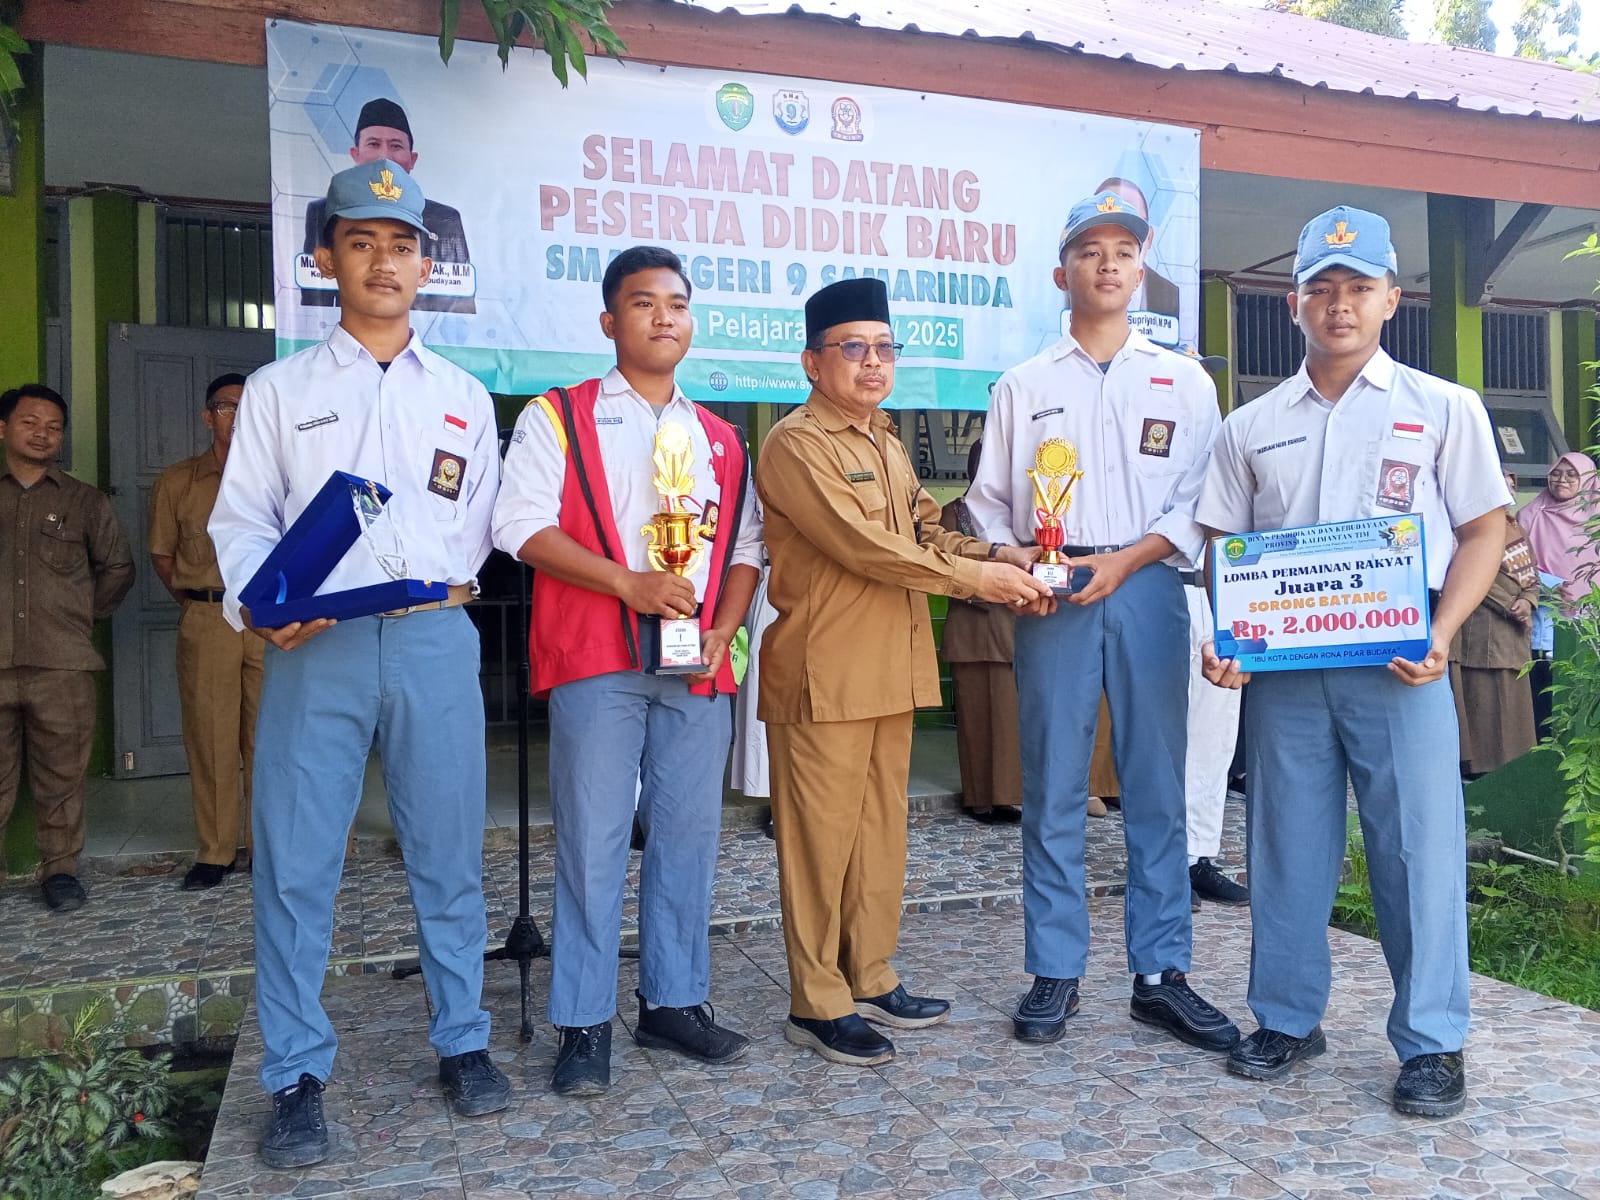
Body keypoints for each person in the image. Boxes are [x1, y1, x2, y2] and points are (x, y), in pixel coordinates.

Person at [210, 157, 509, 1169]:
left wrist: (421, 584)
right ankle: (296, 1073)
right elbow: (244, 518)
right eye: (362, 240)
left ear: (427, 263)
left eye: (402, 244)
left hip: (432, 639)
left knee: (446, 850)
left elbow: (474, 526)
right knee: (296, 863)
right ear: (327, 256)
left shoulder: (465, 397)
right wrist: (266, 602)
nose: (384, 261)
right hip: (318, 648)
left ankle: (461, 1041)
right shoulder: (279, 389)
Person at [1197, 205, 1511, 1118]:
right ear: (1294, 304)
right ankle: (1289, 1019)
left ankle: (1432, 1042)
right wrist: (1225, 637)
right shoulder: (1251, 425)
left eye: (1357, 289)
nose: (1339, 306)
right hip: (1287, 676)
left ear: (1391, 299)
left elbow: (1485, 528)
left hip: (1404, 667)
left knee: (1416, 850)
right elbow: (1224, 541)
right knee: (1287, 848)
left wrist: (1444, 631)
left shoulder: (1444, 409)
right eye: (1321, 290)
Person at [967, 190, 1237, 1052]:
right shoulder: (1024, 384)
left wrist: (1127, 562)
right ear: (1062, 271)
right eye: (1091, 250)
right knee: (1051, 780)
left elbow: (1207, 498)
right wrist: (1020, 564)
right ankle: (1055, 969)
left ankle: (1162, 973)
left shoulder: (1184, 379)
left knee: (1156, 780)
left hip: (1150, 581)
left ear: (1142, 266)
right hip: (1053, 592)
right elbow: (990, 505)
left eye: (1124, 249)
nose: (1109, 263)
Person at [757, 277, 1049, 1066]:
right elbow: (865, 547)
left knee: (881, 834)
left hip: (891, 665)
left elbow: (923, 526)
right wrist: (974, 583)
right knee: (820, 843)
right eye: (853, 349)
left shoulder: (884, 440)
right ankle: (816, 1002)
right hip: (824, 672)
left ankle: (870, 974)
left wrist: (1000, 553)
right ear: (813, 362)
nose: (872, 363)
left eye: (884, 349)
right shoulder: (796, 444)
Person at [492, 244, 763, 1097]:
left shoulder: (720, 438)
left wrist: (723, 627)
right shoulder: (559, 416)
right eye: (643, 303)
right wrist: (629, 585)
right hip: (597, 657)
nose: (663, 317)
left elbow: (748, 550)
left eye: (677, 304)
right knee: (594, 839)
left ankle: (674, 1002)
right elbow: (519, 526)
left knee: (688, 837)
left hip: (697, 668)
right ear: (610, 321)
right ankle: (581, 1021)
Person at [0, 384, 134, 912]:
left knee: (61, 777)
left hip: (63, 663)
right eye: (31, 422)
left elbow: (118, 567)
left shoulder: (83, 500)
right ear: (5, 428)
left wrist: (81, 616)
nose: (43, 434)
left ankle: (60, 871)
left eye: (54, 426)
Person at [148, 373, 264, 890]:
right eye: (226, 407)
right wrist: (199, 603)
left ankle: (267, 849)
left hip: (267, 622)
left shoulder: (277, 478)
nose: (237, 416)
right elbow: (162, 556)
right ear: (207, 416)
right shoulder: (177, 482)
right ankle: (215, 852)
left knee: (269, 738)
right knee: (211, 740)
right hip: (207, 618)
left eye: (247, 407)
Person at [1168, 348, 1248, 910]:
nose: (1200, 383)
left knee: (1215, 739)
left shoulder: (1235, 440)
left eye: (1206, 374)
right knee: (1162, 740)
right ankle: (1161, 860)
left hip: (1220, 600)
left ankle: (1198, 855)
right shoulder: (1147, 444)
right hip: (1164, 593)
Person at [301, 98, 473, 313]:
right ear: (356, 154)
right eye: (373, 144)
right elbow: (315, 298)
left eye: (396, 146)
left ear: (412, 159)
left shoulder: (445, 218)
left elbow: (460, 306)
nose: (384, 156)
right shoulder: (324, 212)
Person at [939, 439, 1023, 824]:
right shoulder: (951, 513)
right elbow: (940, 565)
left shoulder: (1018, 514)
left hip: (1013, 629)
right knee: (975, 718)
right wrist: (980, 586)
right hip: (971, 628)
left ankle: (1006, 795)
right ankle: (979, 799)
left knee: (1009, 719)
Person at [1450, 471, 1538, 777]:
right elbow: (1473, 574)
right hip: (1483, 629)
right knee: (1485, 702)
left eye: (1512, 488)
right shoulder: (1465, 529)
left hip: (1515, 630)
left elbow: (1532, 574)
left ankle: (1515, 770)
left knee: (1514, 706)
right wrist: (1510, 606)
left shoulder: (1514, 525)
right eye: (1501, 487)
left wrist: (1528, 601)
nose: (1508, 494)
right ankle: (1482, 771)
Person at [1519, 452, 1600, 734]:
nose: (1561, 479)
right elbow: (1511, 563)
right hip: (1544, 619)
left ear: (1588, 479)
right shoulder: (1530, 514)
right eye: (1556, 472)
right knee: (1547, 693)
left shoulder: (1596, 519)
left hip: (1591, 618)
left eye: (1571, 474)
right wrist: (1550, 585)